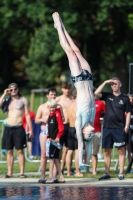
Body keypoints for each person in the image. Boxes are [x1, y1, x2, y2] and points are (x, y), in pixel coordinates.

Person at [52, 12, 95, 169]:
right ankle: (62, 25)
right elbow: (89, 144)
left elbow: (83, 145)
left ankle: (58, 28)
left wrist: (84, 162)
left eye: (87, 135)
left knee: (70, 53)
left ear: (82, 132)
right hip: (89, 79)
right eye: (91, 135)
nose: (90, 134)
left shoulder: (80, 122)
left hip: (78, 79)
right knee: (77, 51)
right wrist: (88, 160)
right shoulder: (92, 116)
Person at [94, 77, 131, 180]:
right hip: (107, 127)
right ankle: (107, 173)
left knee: (121, 151)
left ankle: (121, 172)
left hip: (119, 128)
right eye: (112, 84)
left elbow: (128, 113)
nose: (114, 85)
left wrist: (126, 126)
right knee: (107, 151)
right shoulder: (108, 96)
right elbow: (96, 92)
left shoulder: (125, 98)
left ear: (120, 85)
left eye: (115, 84)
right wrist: (105, 82)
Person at [0, 83, 33, 178]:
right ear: (9, 90)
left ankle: (22, 172)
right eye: (11, 89)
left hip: (19, 127)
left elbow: (27, 115)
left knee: (20, 151)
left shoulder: (23, 100)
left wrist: (30, 129)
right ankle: (9, 172)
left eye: (15, 89)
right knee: (9, 151)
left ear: (18, 89)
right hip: (8, 128)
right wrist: (4, 94)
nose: (13, 90)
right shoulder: (7, 100)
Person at [35, 87, 63, 183]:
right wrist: (43, 119)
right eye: (51, 94)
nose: (53, 96)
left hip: (54, 133)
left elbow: (62, 119)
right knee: (44, 155)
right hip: (44, 132)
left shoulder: (58, 107)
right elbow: (36, 120)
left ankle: (54, 176)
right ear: (47, 95)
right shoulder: (42, 107)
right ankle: (43, 176)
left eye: (55, 94)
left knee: (55, 156)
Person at [46, 99, 65, 183]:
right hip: (51, 139)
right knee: (56, 159)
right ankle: (61, 176)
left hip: (55, 140)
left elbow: (61, 127)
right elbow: (51, 127)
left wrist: (58, 136)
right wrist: (48, 133)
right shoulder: (50, 115)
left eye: (53, 107)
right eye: (50, 107)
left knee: (51, 158)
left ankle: (50, 177)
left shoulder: (57, 114)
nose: (52, 109)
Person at [66, 90, 83, 176]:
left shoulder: (69, 105)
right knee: (77, 151)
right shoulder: (79, 105)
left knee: (70, 151)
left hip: (70, 128)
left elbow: (66, 120)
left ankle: (68, 172)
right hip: (77, 129)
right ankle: (77, 171)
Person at [56, 82, 72, 173]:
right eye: (66, 89)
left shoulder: (72, 99)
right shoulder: (58, 99)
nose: (67, 90)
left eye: (69, 89)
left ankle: (62, 168)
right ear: (62, 89)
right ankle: (58, 168)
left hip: (70, 125)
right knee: (59, 148)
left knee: (68, 148)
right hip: (60, 125)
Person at [92, 96, 106, 175]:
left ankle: (94, 170)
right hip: (85, 131)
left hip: (96, 130)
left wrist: (103, 120)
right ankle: (83, 170)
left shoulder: (100, 103)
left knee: (94, 152)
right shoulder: (85, 103)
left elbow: (107, 113)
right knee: (84, 152)